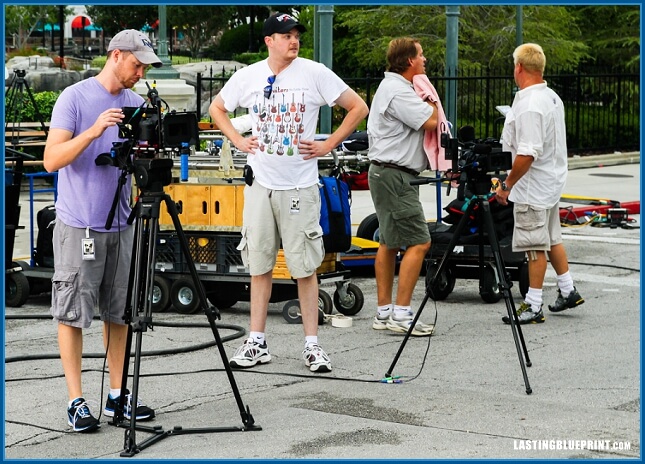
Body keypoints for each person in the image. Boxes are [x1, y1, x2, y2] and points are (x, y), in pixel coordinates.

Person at [209, 12, 368, 372]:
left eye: (296, 34)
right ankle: (256, 341)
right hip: (261, 185)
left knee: (305, 267)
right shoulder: (249, 76)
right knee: (259, 264)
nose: (293, 40)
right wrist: (237, 140)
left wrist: (328, 144)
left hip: (299, 184)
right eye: (285, 35)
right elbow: (217, 108)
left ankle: (312, 345)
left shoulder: (313, 72)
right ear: (269, 40)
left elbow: (358, 107)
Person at [43, 29, 161, 432]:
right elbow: (51, 160)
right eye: (136, 63)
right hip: (81, 224)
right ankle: (76, 400)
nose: (140, 72)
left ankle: (117, 396)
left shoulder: (136, 104)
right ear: (115, 56)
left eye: (145, 66)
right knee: (74, 312)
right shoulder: (74, 98)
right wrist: (92, 131)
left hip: (122, 222)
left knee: (118, 311)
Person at [495, 43, 585, 325]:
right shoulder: (550, 97)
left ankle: (533, 305)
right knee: (551, 238)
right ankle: (568, 289)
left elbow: (527, 153)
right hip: (550, 181)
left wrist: (506, 185)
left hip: (533, 187)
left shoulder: (531, 105)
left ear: (518, 67)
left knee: (534, 246)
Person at [367, 37, 438, 336]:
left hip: (387, 174)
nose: (424, 60)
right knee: (420, 242)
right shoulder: (399, 91)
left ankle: (384, 313)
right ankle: (401, 314)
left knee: (390, 242)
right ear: (409, 61)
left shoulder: (395, 88)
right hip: (395, 176)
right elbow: (431, 121)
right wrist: (432, 98)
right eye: (421, 56)